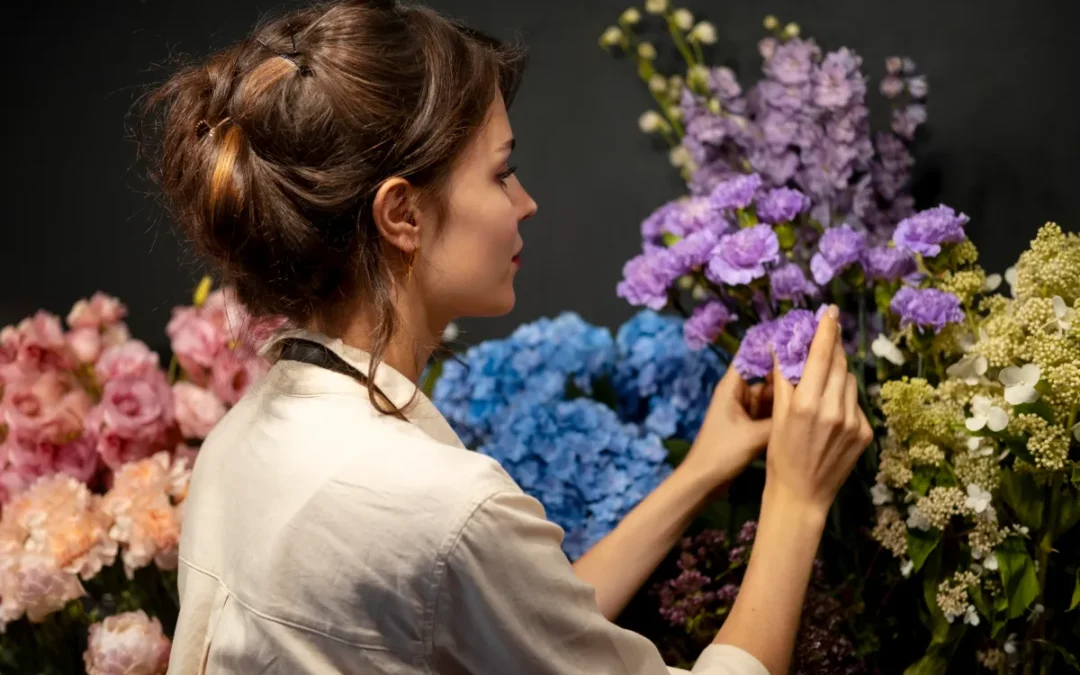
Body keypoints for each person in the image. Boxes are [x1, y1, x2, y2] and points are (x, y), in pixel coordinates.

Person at [142, 1, 873, 673]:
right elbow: (460, 558)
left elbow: (514, 627)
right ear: (403, 215)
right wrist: (797, 497)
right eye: (502, 172)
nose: (525, 203)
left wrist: (698, 472)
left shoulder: (240, 440)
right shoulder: (441, 507)